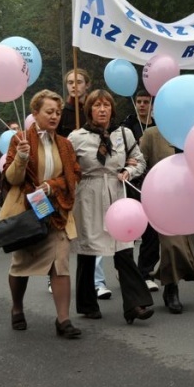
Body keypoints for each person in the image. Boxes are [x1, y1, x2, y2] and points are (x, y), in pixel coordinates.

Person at [0, 89, 83, 339]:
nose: (55, 116)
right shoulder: (20, 139)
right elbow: (12, 178)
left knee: (61, 264)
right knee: (21, 264)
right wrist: (22, 157)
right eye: (49, 111)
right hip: (27, 211)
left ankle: (63, 320)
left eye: (58, 112)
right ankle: (17, 307)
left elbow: (74, 174)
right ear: (35, 113)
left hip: (57, 211)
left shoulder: (65, 144)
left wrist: (52, 186)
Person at [68, 89, 154, 325]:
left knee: (123, 247)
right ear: (89, 110)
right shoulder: (76, 137)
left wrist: (129, 170)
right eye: (97, 105)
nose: (102, 109)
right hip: (89, 195)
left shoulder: (123, 135)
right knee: (89, 250)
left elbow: (139, 160)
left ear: (112, 110)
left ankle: (135, 304)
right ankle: (87, 304)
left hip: (116, 192)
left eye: (106, 105)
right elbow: (67, 168)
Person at [56, 68, 110, 299]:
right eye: (70, 82)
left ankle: (97, 281)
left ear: (87, 85)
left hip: (92, 180)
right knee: (65, 234)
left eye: (78, 82)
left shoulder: (93, 109)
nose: (74, 86)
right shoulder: (61, 112)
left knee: (93, 232)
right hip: (68, 180)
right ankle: (56, 274)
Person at [139, 125, 194, 313]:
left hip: (189, 199)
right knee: (172, 245)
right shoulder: (152, 134)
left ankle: (170, 284)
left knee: (187, 246)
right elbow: (142, 164)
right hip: (162, 199)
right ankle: (172, 288)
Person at [123, 88, 159, 292]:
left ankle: (146, 272)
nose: (142, 105)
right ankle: (125, 269)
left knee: (151, 231)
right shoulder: (127, 125)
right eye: (139, 101)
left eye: (146, 101)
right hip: (132, 182)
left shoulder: (158, 125)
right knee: (129, 227)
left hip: (154, 182)